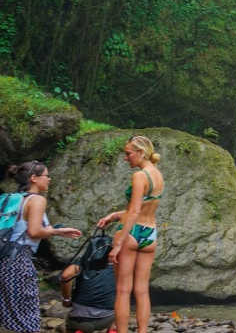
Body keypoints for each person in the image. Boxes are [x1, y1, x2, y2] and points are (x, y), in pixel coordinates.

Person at [0, 161, 82, 333]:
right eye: (46, 176)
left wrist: (57, 231)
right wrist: (56, 232)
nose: (49, 179)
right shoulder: (37, 200)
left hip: (5, 261)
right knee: (27, 316)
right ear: (34, 178)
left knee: (11, 315)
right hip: (19, 261)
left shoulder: (15, 199)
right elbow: (34, 231)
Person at [97, 135, 164, 333]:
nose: (126, 158)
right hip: (150, 233)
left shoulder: (139, 176)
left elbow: (134, 212)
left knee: (123, 290)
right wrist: (114, 215)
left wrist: (118, 244)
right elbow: (142, 208)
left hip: (131, 233)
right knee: (142, 290)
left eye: (128, 154)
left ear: (141, 153)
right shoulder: (157, 175)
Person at [60, 259, 116, 331]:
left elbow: (66, 275)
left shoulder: (85, 258)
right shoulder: (122, 262)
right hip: (107, 319)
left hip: (79, 320)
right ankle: (113, 329)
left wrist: (66, 299)